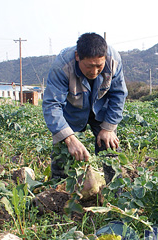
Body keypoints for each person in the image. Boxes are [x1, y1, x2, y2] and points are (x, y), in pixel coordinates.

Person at [42, 32, 128, 181]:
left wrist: (108, 128)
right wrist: (68, 138)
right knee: (62, 154)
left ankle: (115, 193)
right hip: (71, 111)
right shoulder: (62, 66)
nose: (94, 72)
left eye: (99, 66)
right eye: (89, 66)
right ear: (77, 56)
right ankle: (58, 191)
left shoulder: (114, 60)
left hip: (101, 109)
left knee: (110, 148)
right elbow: (52, 104)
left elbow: (118, 94)